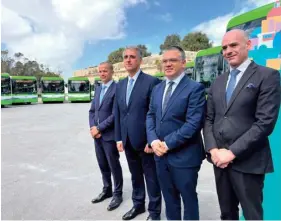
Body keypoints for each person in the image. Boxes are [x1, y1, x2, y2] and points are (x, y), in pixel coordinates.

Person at [203, 29, 281, 220]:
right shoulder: (218, 82)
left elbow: (265, 123)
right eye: (224, 47)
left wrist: (231, 153)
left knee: (252, 214)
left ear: (248, 45)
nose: (228, 51)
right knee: (227, 213)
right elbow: (209, 119)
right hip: (220, 162)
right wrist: (213, 150)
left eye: (233, 45)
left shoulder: (267, 76)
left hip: (249, 162)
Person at [146, 46, 206, 220]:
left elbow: (193, 124)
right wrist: (153, 140)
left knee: (188, 200)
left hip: (185, 157)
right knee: (170, 200)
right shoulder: (157, 88)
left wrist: (167, 143)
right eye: (165, 61)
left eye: (172, 60)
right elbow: (150, 115)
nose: (168, 64)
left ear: (183, 63)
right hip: (160, 156)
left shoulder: (195, 88)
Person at [114, 46, 162, 220]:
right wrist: (118, 137)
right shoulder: (120, 85)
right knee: (135, 177)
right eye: (125, 57)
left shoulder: (152, 82)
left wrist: (153, 139)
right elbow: (118, 113)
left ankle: (154, 213)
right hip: (127, 140)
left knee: (151, 178)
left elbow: (157, 114)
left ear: (140, 60)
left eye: (132, 57)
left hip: (145, 142)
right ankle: (138, 205)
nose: (128, 60)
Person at [89, 62, 123, 211]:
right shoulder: (98, 89)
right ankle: (107, 189)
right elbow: (92, 111)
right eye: (100, 71)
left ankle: (118, 194)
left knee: (113, 165)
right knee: (102, 165)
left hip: (109, 135)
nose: (102, 74)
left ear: (111, 72)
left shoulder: (117, 89)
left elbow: (116, 115)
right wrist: (92, 127)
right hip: (97, 136)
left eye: (105, 71)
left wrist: (100, 128)